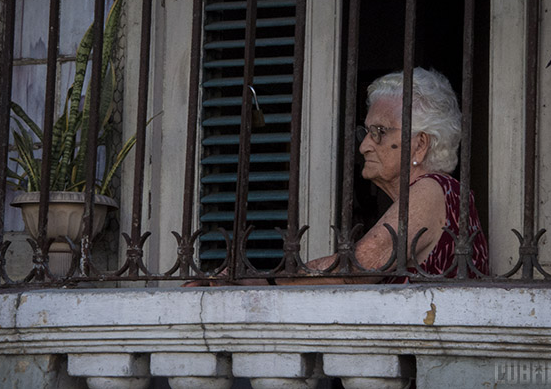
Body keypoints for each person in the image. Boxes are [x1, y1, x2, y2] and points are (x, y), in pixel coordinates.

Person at [185, 67, 488, 286]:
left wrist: (263, 283)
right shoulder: (439, 194)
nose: (364, 145)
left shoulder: (432, 190)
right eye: (366, 132)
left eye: (379, 133)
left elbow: (359, 265)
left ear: (420, 144)